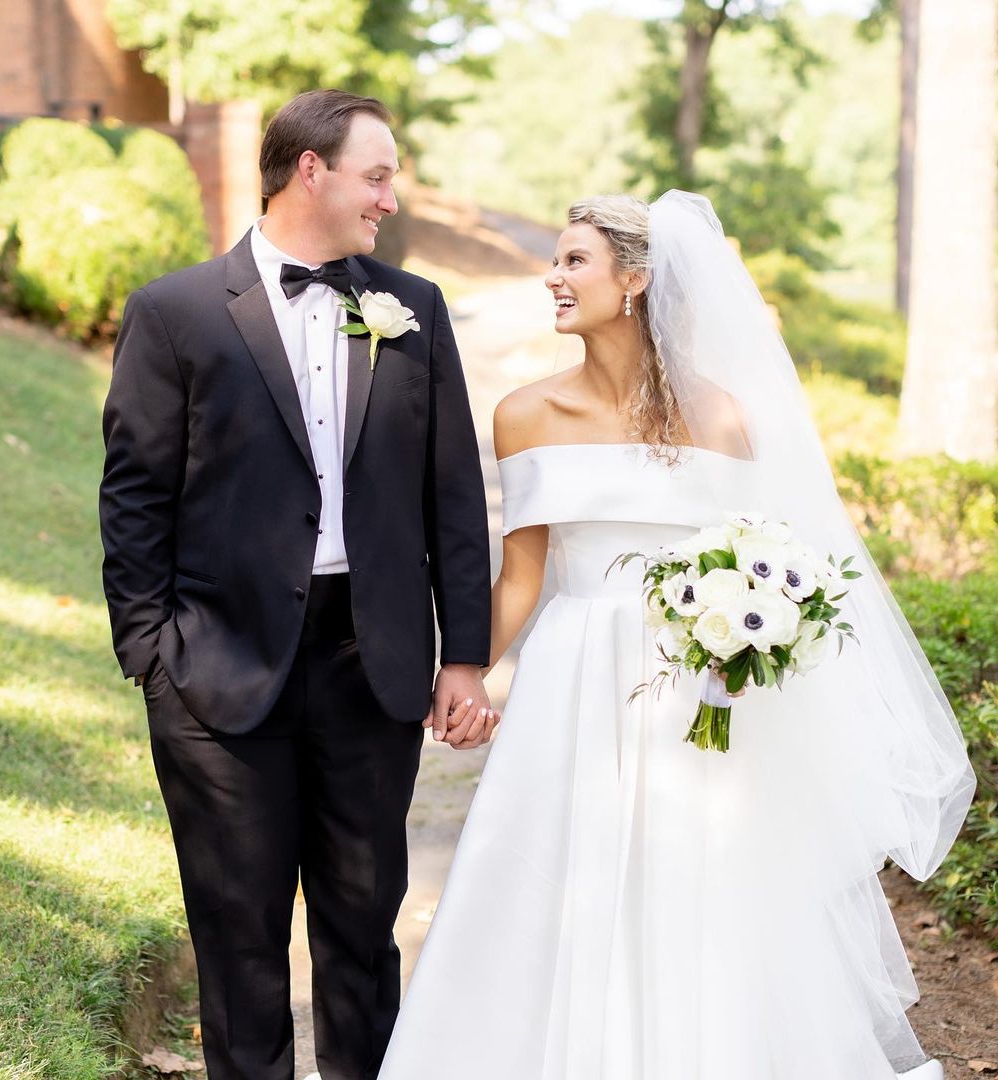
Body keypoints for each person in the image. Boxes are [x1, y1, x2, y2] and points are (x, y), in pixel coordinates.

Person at [377, 191, 975, 1080]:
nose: (553, 276)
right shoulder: (524, 414)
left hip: (698, 691)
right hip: (573, 687)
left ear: (636, 279)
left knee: (700, 889)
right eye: (556, 260)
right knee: (547, 877)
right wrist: (460, 671)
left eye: (574, 260)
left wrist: (753, 636)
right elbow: (525, 578)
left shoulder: (724, 417)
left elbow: (773, 562)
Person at [99, 89, 496, 1080]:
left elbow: (451, 492)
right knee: (238, 941)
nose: (391, 199)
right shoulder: (175, 314)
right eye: (377, 174)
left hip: (374, 663)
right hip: (217, 666)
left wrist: (465, 655)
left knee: (363, 935)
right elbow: (135, 495)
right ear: (309, 170)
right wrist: (151, 651)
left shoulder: (415, 312)